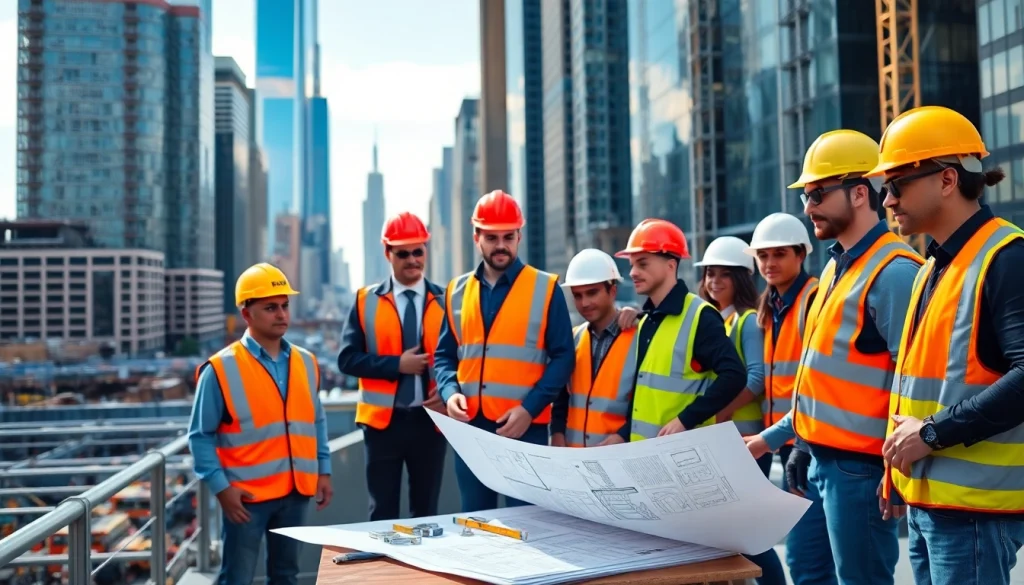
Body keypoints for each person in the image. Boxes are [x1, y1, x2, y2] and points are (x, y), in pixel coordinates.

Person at [745, 129, 921, 585]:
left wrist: (895, 470)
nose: (808, 208)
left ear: (860, 193)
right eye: (807, 196)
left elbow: (916, 387)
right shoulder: (835, 267)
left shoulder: (895, 273)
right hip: (819, 459)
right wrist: (787, 440)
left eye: (818, 194)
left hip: (860, 470)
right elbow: (823, 381)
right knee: (808, 572)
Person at [866, 105, 1024, 585]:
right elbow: (921, 383)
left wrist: (931, 434)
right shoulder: (934, 266)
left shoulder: (1006, 258)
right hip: (929, 500)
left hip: (973, 512)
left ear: (948, 180)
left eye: (896, 185)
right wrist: (897, 469)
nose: (887, 200)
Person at [188, 263, 333, 585]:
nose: (281, 314)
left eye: (284, 306)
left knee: (286, 576)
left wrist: (323, 470)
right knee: (237, 578)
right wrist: (221, 489)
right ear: (247, 314)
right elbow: (200, 436)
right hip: (246, 498)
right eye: (270, 307)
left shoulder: (306, 362)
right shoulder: (221, 369)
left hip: (296, 491)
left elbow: (316, 419)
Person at [434, 190, 576, 512]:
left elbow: (563, 356)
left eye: (508, 237)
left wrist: (529, 409)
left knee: (527, 524)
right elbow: (444, 355)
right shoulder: (456, 291)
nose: (501, 245)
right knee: (476, 520)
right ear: (476, 237)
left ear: (519, 236)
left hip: (524, 429)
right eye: (492, 237)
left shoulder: (545, 287)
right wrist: (449, 390)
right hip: (471, 429)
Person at [744, 213, 837, 585]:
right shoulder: (771, 307)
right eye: (762, 256)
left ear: (801, 254)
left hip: (810, 441)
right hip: (786, 440)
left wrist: (798, 440)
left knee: (808, 560)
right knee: (811, 560)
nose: (769, 264)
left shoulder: (815, 298)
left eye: (779, 254)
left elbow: (819, 379)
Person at [337, 211, 449, 521]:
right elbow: (347, 359)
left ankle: (422, 570)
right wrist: (397, 365)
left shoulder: (447, 300)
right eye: (403, 253)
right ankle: (384, 569)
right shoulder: (365, 301)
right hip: (382, 426)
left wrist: (448, 391)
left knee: (426, 513)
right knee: (383, 512)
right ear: (388, 253)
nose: (412, 259)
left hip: (431, 423)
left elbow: (462, 359)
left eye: (418, 251)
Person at [694, 235, 786, 585]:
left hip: (745, 441)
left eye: (723, 274)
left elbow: (757, 378)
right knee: (736, 534)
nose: (713, 281)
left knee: (750, 535)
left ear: (741, 279)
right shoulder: (720, 321)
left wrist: (719, 413)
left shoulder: (747, 320)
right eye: (709, 274)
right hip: (729, 441)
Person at [612, 218, 746, 442]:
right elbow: (645, 392)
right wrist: (623, 434)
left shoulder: (700, 316)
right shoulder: (647, 321)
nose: (633, 272)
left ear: (671, 265)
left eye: (643, 264)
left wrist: (686, 420)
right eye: (632, 264)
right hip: (644, 450)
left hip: (681, 451)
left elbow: (735, 375)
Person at [550, 248, 639, 448]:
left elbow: (644, 403)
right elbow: (561, 397)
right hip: (574, 459)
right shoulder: (573, 338)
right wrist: (557, 432)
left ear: (612, 290)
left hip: (617, 455)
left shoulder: (639, 337)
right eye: (578, 295)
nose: (585, 303)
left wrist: (624, 435)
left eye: (592, 293)